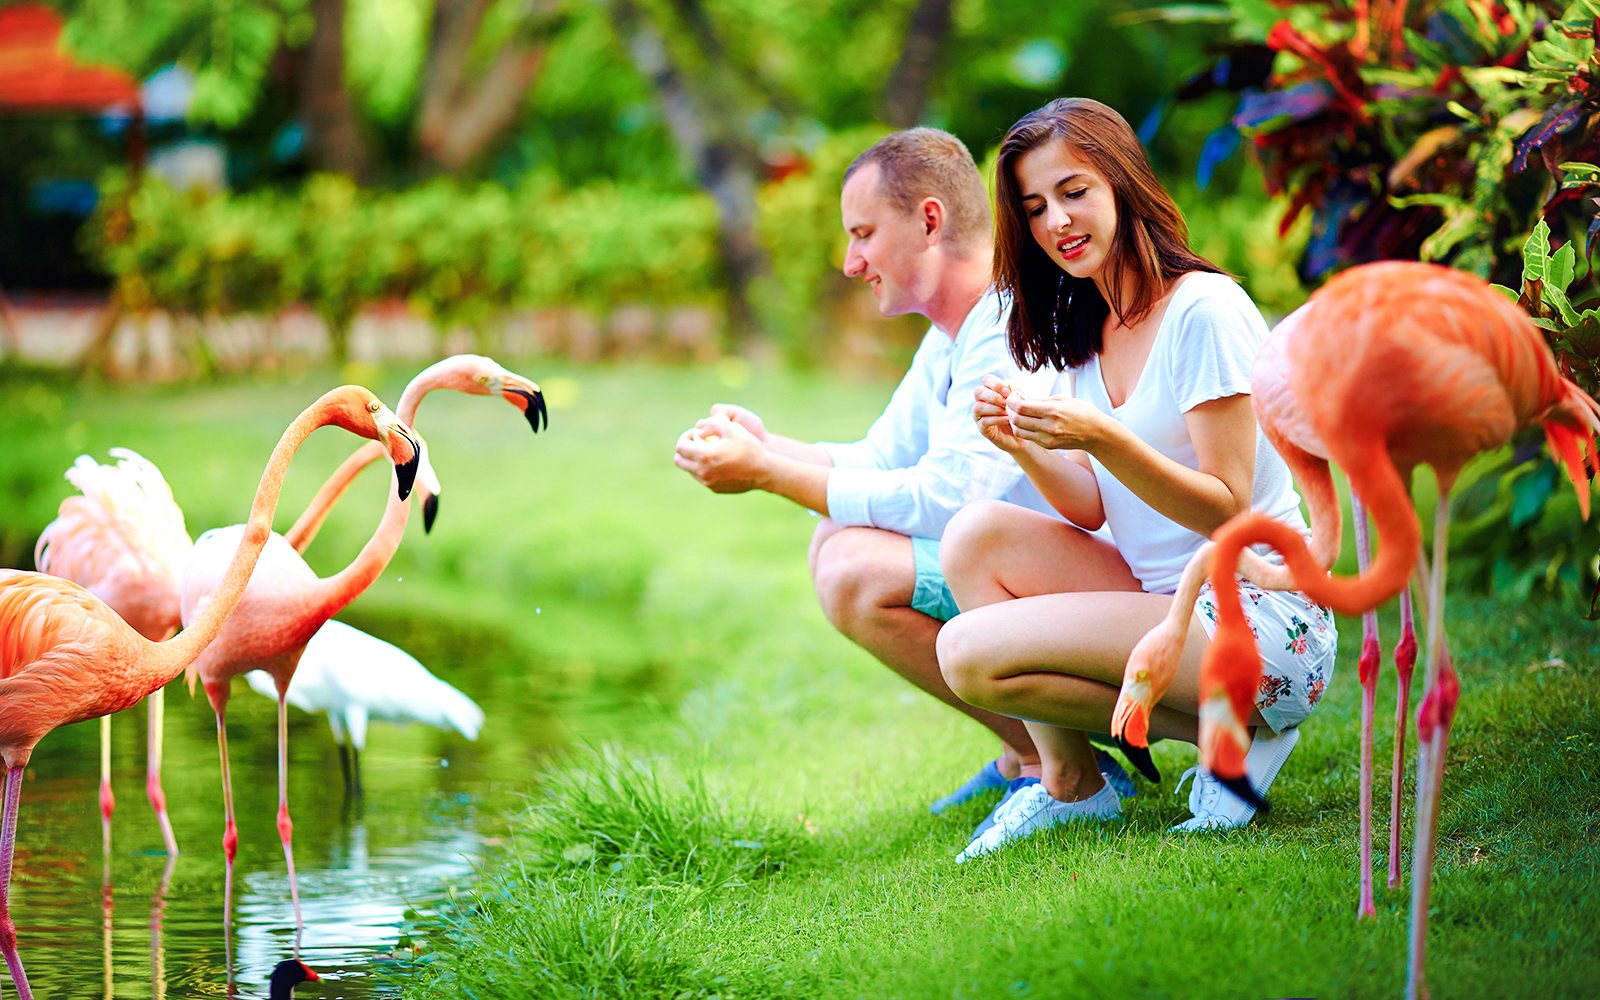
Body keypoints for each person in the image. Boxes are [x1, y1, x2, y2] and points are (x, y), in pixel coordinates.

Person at [934, 98, 1337, 862]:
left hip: (1263, 614)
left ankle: (1244, 730)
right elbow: (1089, 506)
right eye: (1035, 207)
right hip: (1162, 603)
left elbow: (1228, 508)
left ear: (1121, 183)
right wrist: (1024, 443)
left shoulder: (1202, 312)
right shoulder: (1086, 328)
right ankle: (1072, 788)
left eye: (1074, 191)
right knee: (972, 539)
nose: (1057, 220)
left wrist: (1105, 437)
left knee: (966, 653)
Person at [674, 128, 1121, 812]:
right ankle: (1030, 753)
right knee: (835, 541)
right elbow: (881, 459)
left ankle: (1060, 763)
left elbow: (946, 501)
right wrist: (769, 446)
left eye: (862, 234)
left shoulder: (1006, 326)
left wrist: (765, 473)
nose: (852, 262)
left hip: (1100, 584)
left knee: (855, 567)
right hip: (1033, 570)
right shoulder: (954, 333)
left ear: (929, 221)